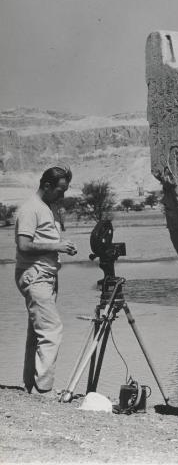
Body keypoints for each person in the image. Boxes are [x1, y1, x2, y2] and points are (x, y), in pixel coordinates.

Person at [15, 165, 77, 394]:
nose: (63, 195)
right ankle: (44, 390)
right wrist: (56, 245)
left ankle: (30, 385)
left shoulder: (47, 208)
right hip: (36, 275)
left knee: (37, 331)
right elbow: (23, 245)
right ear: (47, 186)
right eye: (61, 190)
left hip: (46, 275)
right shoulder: (31, 209)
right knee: (51, 330)